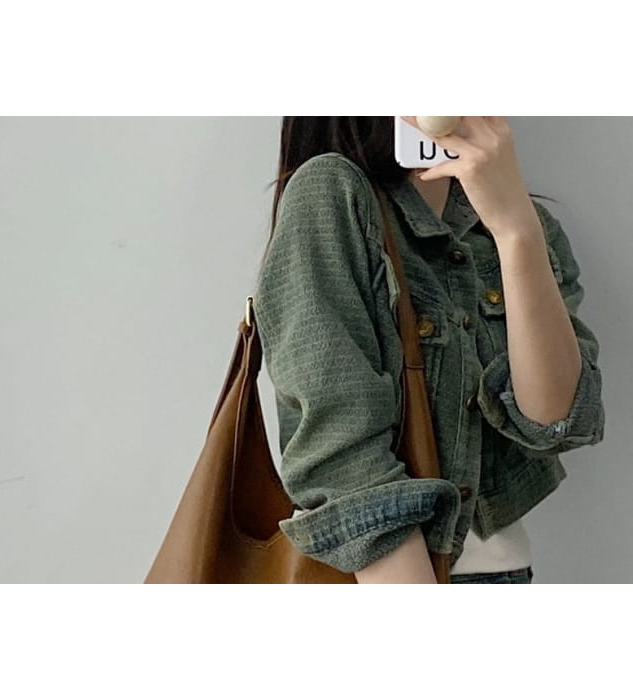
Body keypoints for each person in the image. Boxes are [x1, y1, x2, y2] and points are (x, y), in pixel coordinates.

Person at [253, 116, 605, 583]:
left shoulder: (525, 221)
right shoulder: (333, 191)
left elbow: (554, 420)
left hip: (506, 573)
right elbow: (340, 451)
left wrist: (515, 229)